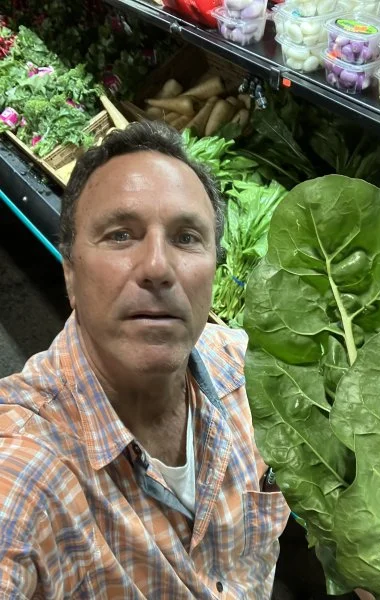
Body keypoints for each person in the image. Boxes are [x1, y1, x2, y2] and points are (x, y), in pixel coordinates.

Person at [0, 121, 290, 599]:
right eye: (120, 235)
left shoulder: (252, 375)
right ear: (70, 273)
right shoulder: (31, 465)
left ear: (213, 270)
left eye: (186, 238)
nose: (157, 267)